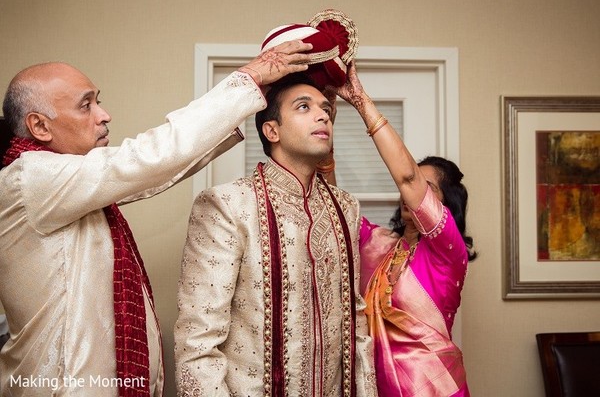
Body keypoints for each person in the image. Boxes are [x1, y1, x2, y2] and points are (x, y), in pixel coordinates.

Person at [0, 40, 312, 397]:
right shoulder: (30, 178)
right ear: (40, 126)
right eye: (86, 105)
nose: (103, 115)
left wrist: (248, 99)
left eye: (98, 101)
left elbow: (152, 174)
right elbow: (149, 159)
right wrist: (249, 79)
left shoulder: (71, 186)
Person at [174, 74, 377, 397]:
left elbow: (356, 321)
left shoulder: (345, 208)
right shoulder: (227, 206)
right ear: (272, 131)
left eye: (325, 108)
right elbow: (197, 344)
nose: (323, 114)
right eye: (303, 107)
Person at [322, 63, 477, 396]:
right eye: (412, 183)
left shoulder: (448, 254)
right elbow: (333, 205)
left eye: (426, 186)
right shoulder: (378, 246)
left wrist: (362, 102)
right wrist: (325, 131)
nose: (411, 192)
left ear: (445, 204)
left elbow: (407, 177)